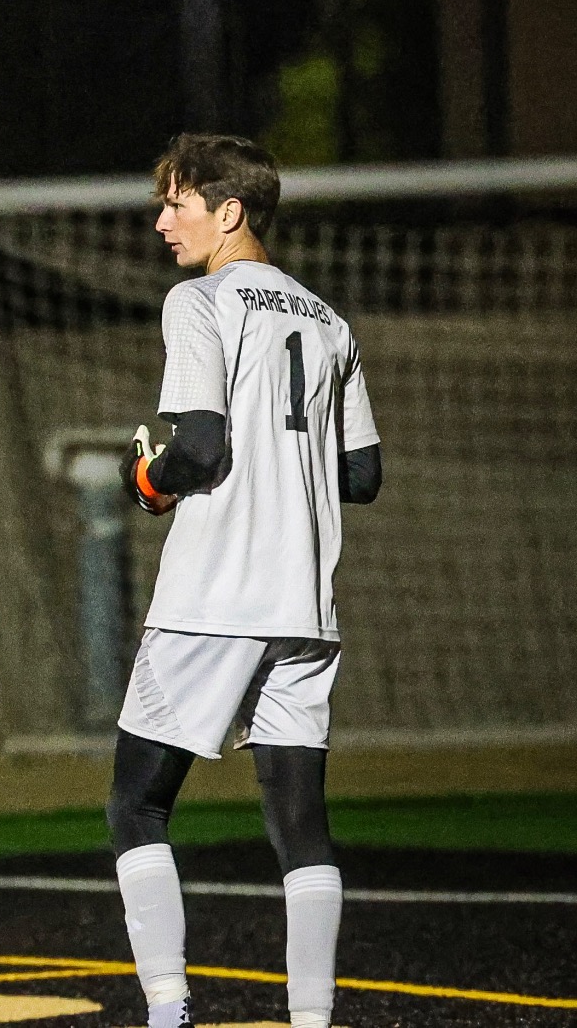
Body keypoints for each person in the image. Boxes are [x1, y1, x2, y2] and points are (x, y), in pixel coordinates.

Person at [112, 133, 382, 1028]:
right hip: (305, 605)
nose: (161, 222)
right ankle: (311, 1019)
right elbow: (363, 473)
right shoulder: (329, 320)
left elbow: (197, 445)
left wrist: (146, 478)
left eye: (176, 203)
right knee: (300, 822)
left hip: (212, 593)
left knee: (138, 802)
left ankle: (167, 1010)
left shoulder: (199, 300)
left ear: (228, 212)